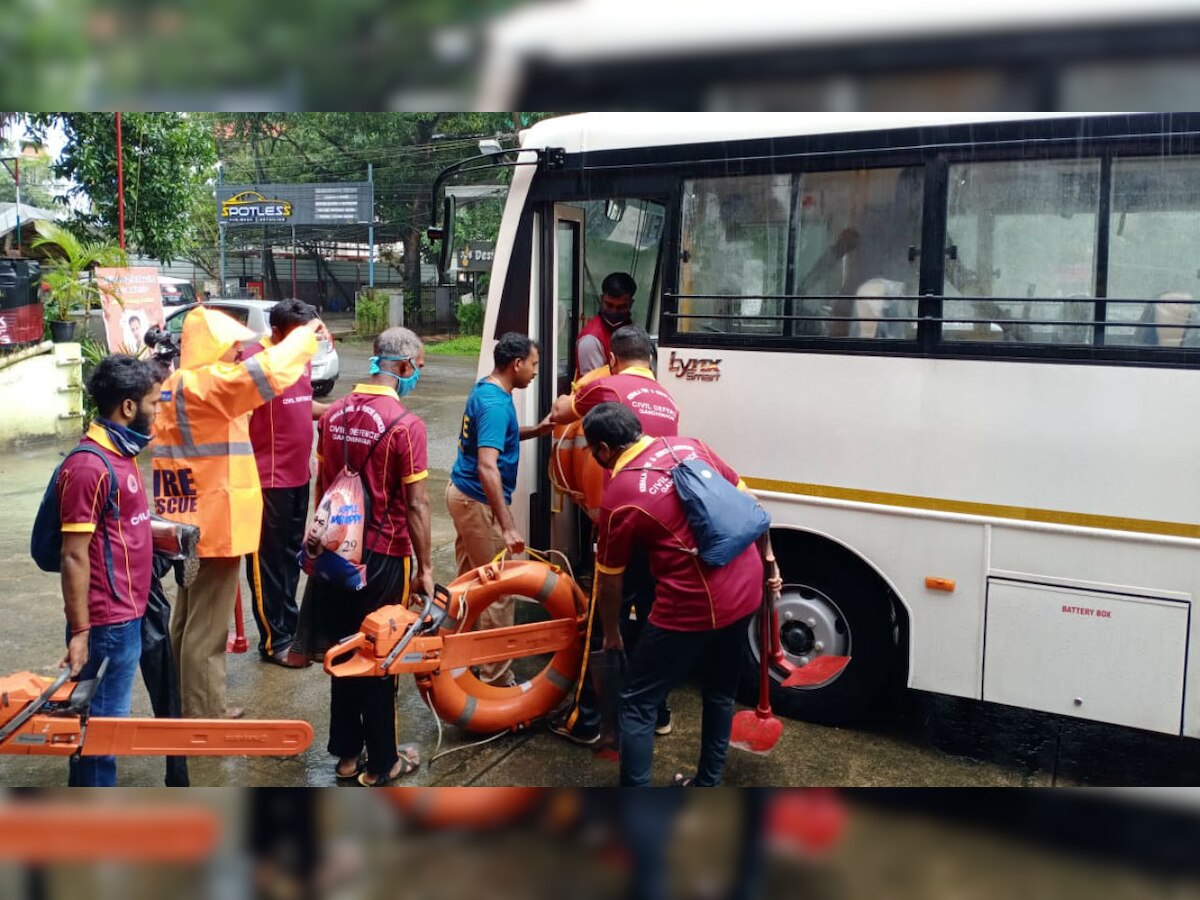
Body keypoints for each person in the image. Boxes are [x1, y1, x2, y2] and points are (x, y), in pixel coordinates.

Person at [582, 403, 781, 786]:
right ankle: (708, 783)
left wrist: (611, 634)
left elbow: (609, 579)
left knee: (638, 703)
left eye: (593, 451)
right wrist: (771, 563)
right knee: (721, 691)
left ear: (603, 449)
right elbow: (751, 504)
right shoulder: (692, 445)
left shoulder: (621, 493)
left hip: (696, 602)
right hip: (746, 585)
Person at [152, 305, 318, 720]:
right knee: (208, 626)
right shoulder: (210, 384)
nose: (237, 354)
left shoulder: (175, 384)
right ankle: (204, 710)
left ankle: (179, 700)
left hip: (184, 516)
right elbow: (267, 371)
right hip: (216, 519)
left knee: (187, 617)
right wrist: (305, 336)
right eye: (231, 346)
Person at [308, 326, 431, 786]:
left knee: (345, 651)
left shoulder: (334, 413)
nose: (417, 373)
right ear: (400, 368)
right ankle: (383, 762)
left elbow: (325, 486)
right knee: (381, 658)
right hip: (383, 557)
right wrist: (426, 568)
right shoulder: (406, 426)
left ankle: (345, 755)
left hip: (337, 555)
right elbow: (417, 504)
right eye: (416, 366)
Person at [547, 325, 680, 745]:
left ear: (614, 358)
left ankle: (588, 722)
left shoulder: (605, 385)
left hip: (620, 517)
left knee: (606, 622)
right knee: (653, 620)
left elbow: (559, 412)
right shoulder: (669, 400)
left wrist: (585, 382)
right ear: (650, 360)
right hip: (661, 523)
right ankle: (658, 713)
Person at [58, 355, 162, 786]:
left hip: (129, 612)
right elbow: (73, 555)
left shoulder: (122, 453)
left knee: (104, 726)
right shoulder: (89, 466)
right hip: (108, 622)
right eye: (153, 404)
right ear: (127, 407)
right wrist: (81, 631)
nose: (157, 412)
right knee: (101, 730)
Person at [446, 332, 553, 686]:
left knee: (469, 585)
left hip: (462, 494)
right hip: (476, 500)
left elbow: (497, 436)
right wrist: (507, 526)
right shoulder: (494, 404)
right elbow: (487, 465)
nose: (536, 371)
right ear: (517, 364)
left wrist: (536, 430)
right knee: (497, 590)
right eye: (534, 364)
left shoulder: (488, 390)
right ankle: (495, 676)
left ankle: (461, 658)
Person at [244, 300, 328, 668]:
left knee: (295, 556)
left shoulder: (301, 355)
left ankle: (291, 628)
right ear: (275, 332)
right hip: (265, 480)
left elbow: (302, 403)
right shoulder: (252, 362)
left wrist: (339, 408)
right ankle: (273, 638)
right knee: (268, 562)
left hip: (298, 474)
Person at [576, 272, 637, 377]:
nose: (614, 312)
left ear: (631, 304)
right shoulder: (591, 340)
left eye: (621, 307)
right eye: (609, 305)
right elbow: (596, 387)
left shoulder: (630, 330)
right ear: (601, 299)